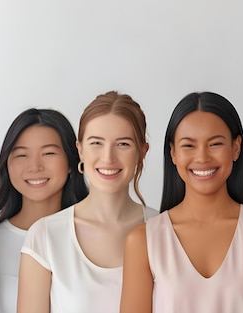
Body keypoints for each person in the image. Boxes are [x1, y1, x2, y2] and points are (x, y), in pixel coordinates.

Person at [121, 91, 243, 313]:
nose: (202, 157)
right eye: (189, 145)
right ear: (173, 152)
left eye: (215, 144)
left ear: (236, 147)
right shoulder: (143, 241)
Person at [17, 91, 157, 313]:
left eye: (122, 144)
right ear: (80, 150)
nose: (108, 157)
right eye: (96, 143)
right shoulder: (45, 236)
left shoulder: (165, 230)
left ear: (142, 151)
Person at [0, 108, 88, 313]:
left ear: (72, 162)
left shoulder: (92, 236)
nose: (35, 166)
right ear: (7, 164)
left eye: (48, 153)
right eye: (21, 155)